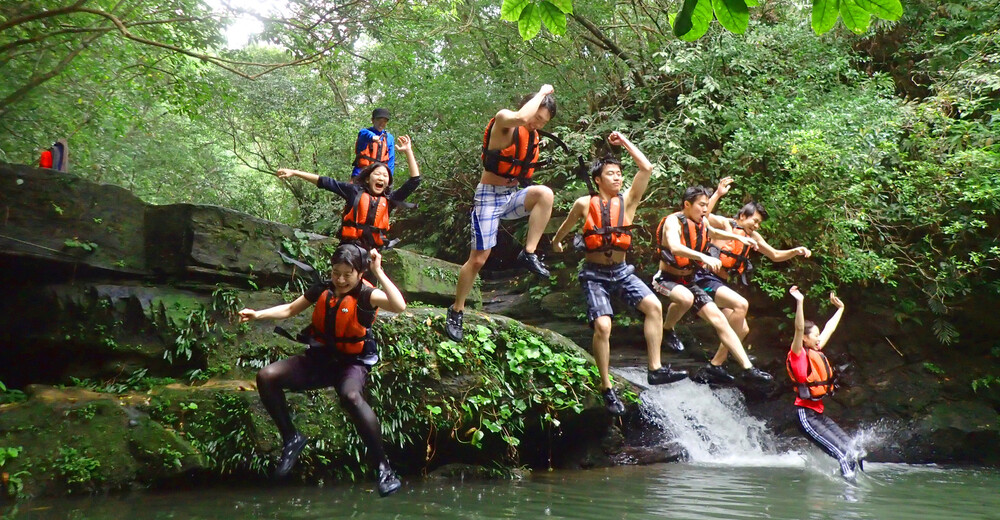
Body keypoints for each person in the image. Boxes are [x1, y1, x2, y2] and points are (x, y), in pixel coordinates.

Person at [238, 245, 406, 497]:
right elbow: (290, 309)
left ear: (360, 273)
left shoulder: (366, 295)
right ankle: (292, 438)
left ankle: (384, 468)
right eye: (336, 272)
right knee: (266, 376)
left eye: (347, 274)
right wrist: (257, 314)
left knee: (351, 397)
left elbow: (399, 305)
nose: (340, 279)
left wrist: (379, 271)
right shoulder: (323, 289)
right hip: (319, 360)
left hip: (351, 364)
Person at [550, 132, 688, 415]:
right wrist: (556, 241)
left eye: (619, 174)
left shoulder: (628, 202)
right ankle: (606, 386)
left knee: (653, 307)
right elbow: (567, 224)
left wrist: (623, 141)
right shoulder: (583, 203)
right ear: (597, 179)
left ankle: (655, 368)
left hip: (622, 272)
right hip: (594, 273)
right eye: (610, 174)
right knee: (603, 326)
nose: (617, 178)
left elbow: (646, 168)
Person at [445, 85, 557, 342]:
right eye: (537, 118)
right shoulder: (506, 119)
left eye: (543, 122)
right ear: (530, 105)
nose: (537, 125)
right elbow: (521, 117)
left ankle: (528, 253)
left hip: (511, 195)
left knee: (545, 194)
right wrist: (541, 93)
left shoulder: (533, 137)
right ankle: (457, 309)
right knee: (478, 259)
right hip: (487, 196)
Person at [652, 186, 773, 384]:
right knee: (685, 299)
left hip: (689, 281)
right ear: (687, 205)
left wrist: (739, 237)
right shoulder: (673, 222)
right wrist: (702, 257)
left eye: (707, 206)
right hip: (666, 278)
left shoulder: (703, 222)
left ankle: (748, 368)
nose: (705, 210)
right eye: (701, 205)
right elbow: (674, 247)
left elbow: (714, 231)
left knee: (720, 320)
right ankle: (667, 329)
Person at [688, 176, 811, 367]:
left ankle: (715, 363)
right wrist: (718, 194)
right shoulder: (726, 224)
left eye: (759, 223)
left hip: (721, 284)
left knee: (743, 329)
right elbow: (703, 217)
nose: (756, 225)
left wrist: (795, 251)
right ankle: (716, 364)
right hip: (704, 279)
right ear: (743, 216)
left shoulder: (753, 236)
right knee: (741, 305)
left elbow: (775, 255)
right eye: (755, 221)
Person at [278, 135, 421, 251]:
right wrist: (295, 172)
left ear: (387, 182)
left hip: (372, 252)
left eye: (385, 176)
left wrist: (408, 151)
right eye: (377, 174)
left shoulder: (389, 200)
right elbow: (325, 182)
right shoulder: (353, 191)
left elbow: (414, 181)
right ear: (367, 178)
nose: (381, 178)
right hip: (348, 248)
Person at [787, 285, 863, 481]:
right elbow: (798, 328)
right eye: (815, 335)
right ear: (805, 338)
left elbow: (829, 328)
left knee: (853, 449)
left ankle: (858, 482)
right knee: (842, 454)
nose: (819, 338)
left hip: (818, 414)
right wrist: (800, 302)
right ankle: (850, 493)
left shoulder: (816, 349)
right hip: (806, 416)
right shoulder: (797, 354)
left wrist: (840, 309)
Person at [353, 108, 396, 178]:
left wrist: (389, 178)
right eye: (379, 120)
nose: (381, 123)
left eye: (384, 121)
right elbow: (363, 134)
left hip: (378, 178)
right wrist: (372, 137)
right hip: (360, 175)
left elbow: (391, 161)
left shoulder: (389, 138)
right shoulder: (364, 133)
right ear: (373, 120)